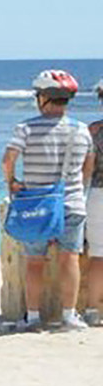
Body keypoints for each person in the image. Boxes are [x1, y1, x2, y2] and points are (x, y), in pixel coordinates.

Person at [1, 69, 93, 331]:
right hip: (72, 202)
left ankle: (32, 316)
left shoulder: (26, 128)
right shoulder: (82, 130)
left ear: (43, 98)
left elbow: (7, 161)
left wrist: (13, 184)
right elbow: (88, 165)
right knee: (70, 259)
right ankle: (68, 316)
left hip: (37, 205)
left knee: (34, 262)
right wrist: (78, 189)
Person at [88, 80, 103, 320]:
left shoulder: (93, 130)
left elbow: (85, 168)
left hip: (99, 192)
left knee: (98, 254)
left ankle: (93, 310)